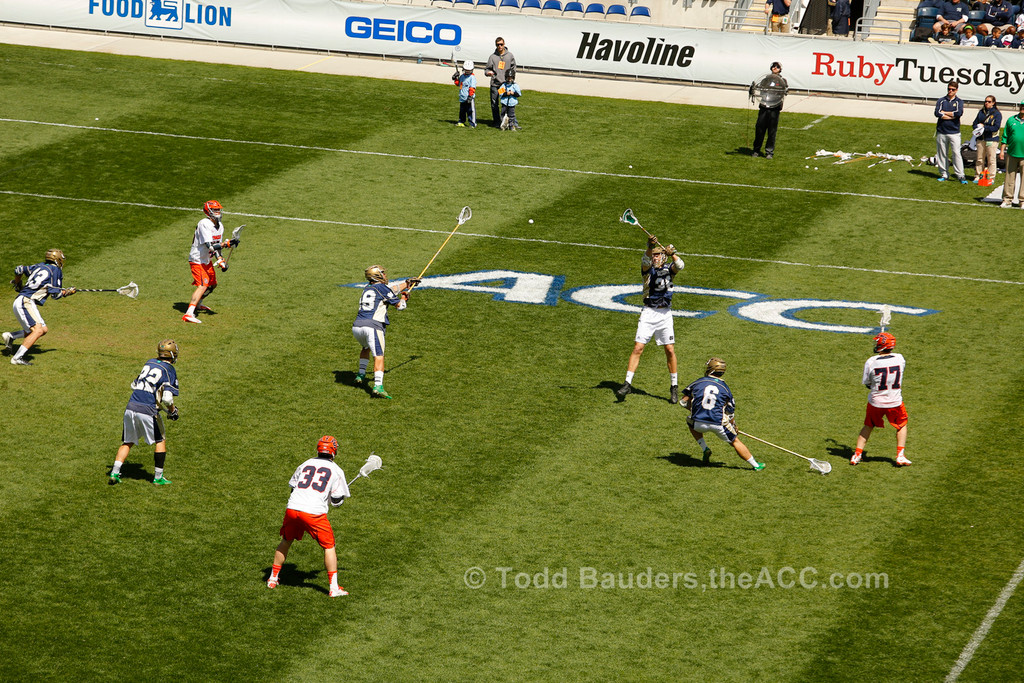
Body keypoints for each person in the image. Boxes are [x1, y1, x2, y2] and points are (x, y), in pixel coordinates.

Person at [267, 436, 351, 597]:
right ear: (334, 451)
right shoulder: (337, 470)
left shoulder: (305, 464)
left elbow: (293, 488)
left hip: (292, 508)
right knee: (329, 547)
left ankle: (272, 578)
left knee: (286, 540)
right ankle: (334, 588)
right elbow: (336, 502)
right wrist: (337, 500)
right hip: (313, 513)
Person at [615, 236, 684, 403]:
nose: (655, 257)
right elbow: (645, 259)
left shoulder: (669, 269)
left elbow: (680, 265)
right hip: (648, 312)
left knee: (669, 350)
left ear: (664, 256)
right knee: (638, 347)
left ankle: (674, 387)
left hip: (665, 314)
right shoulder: (647, 269)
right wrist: (649, 245)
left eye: (658, 254)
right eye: (654, 254)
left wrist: (673, 253)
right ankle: (627, 384)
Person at [108, 340, 180, 485]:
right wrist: (173, 411)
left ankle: (115, 472)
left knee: (127, 441)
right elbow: (167, 398)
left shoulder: (149, 362)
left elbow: (134, 384)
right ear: (172, 354)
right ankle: (158, 477)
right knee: (160, 440)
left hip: (131, 405)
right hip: (148, 409)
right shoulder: (169, 370)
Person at [682, 358, 765, 471]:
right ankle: (755, 465)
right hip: (718, 424)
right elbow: (730, 411)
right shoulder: (725, 388)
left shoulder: (698, 382)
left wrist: (695, 410)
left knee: (689, 421)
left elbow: (683, 402)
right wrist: (734, 425)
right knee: (735, 441)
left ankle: (704, 448)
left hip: (698, 423)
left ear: (710, 370)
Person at [352, 265, 420, 399]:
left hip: (357, 327)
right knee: (379, 355)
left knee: (365, 347)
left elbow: (391, 290)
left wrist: (407, 284)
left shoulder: (368, 288)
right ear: (377, 275)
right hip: (373, 326)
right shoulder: (381, 288)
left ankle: (360, 375)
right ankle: (378, 386)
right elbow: (400, 307)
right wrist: (404, 298)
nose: (385, 275)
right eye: (382, 273)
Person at [4, 249, 76, 366]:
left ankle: (11, 336)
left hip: (24, 301)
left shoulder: (40, 266)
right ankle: (17, 358)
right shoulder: (56, 270)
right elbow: (56, 295)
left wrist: (18, 284)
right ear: (57, 260)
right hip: (25, 302)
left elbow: (18, 269)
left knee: (43, 329)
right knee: (37, 330)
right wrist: (67, 292)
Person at [850, 332, 911, 466]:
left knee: (868, 425)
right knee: (901, 425)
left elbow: (867, 383)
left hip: (876, 402)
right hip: (894, 401)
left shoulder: (871, 362)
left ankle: (857, 455)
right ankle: (900, 455)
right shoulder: (900, 358)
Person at [184, 200, 236, 324]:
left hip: (207, 260)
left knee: (212, 285)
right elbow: (210, 246)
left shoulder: (220, 226)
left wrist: (220, 260)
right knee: (203, 285)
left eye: (219, 210)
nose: (218, 212)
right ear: (209, 211)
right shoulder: (204, 223)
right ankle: (188, 313)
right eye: (216, 210)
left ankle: (198, 304)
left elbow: (216, 246)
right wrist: (226, 244)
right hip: (197, 259)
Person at [751, 61, 789, 159]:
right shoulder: (766, 79)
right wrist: (753, 89)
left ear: (780, 69)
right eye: (773, 66)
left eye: (777, 67)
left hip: (775, 108)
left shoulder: (783, 80)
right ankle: (756, 150)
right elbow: (760, 89)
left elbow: (784, 91)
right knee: (759, 129)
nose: (775, 68)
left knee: (772, 131)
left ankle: (769, 152)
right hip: (764, 106)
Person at [934, 81, 967, 183]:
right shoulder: (941, 100)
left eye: (952, 89)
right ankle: (944, 174)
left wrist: (945, 113)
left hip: (954, 132)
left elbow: (958, 113)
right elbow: (937, 113)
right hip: (942, 131)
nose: (950, 91)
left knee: (956, 153)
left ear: (956, 90)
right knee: (942, 153)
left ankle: (960, 175)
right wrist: (950, 116)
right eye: (949, 89)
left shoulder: (959, 102)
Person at [485, 37, 516, 127]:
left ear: (504, 44)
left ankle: (511, 122)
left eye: (501, 44)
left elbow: (513, 68)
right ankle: (497, 122)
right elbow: (487, 69)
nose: (500, 46)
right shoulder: (492, 57)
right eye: (498, 44)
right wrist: (488, 73)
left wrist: (512, 80)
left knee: (507, 104)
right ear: (496, 45)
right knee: (494, 104)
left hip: (505, 85)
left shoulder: (510, 56)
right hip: (495, 84)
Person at [998, 99, 1024, 206]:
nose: (1023, 108)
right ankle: (1007, 199)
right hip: (1012, 153)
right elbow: (1005, 137)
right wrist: (1002, 151)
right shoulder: (1011, 120)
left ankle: (1022, 201)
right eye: (1022, 106)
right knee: (1009, 177)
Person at [972, 95, 1002, 182]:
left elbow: (996, 127)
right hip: (981, 139)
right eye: (985, 101)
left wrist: (984, 127)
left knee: (991, 159)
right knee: (979, 158)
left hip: (991, 139)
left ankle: (991, 177)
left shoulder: (997, 114)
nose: (986, 103)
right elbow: (974, 123)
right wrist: (977, 127)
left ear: (993, 103)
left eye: (989, 102)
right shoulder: (981, 112)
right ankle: (978, 175)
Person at [453, 60, 477, 128]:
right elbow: (459, 84)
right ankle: (461, 121)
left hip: (469, 97)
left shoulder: (472, 77)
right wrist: (455, 78)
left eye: (469, 70)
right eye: (466, 70)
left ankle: (473, 123)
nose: (467, 71)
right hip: (462, 97)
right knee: (462, 111)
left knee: (470, 111)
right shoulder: (462, 76)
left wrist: (470, 96)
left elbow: (472, 88)